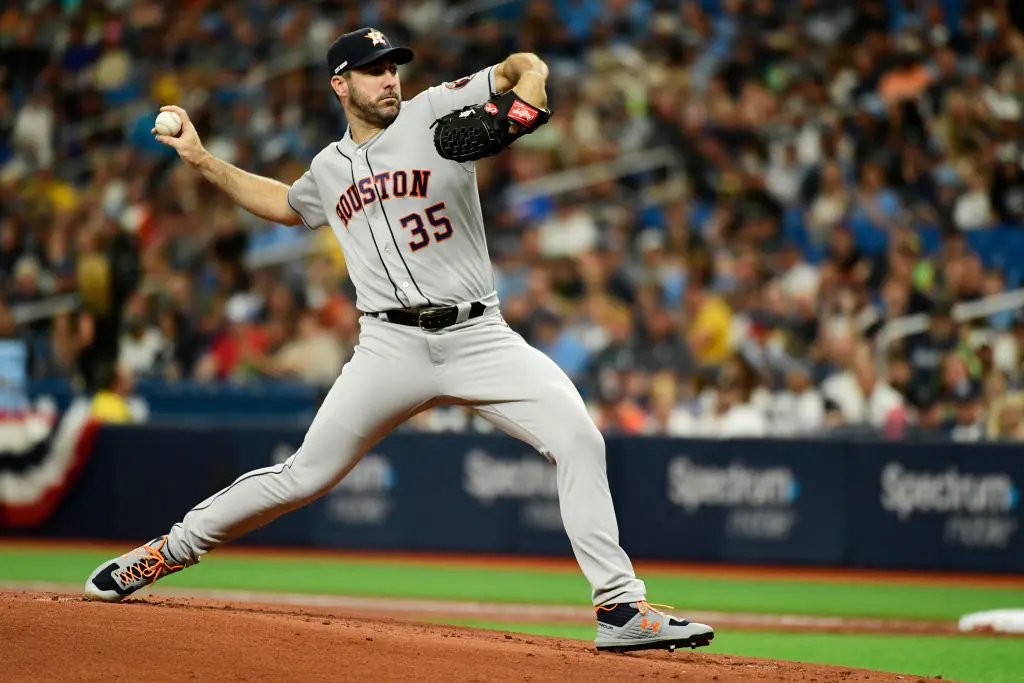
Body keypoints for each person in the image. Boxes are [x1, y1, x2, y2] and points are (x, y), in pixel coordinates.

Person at [83, 27, 713, 654]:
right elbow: (284, 204)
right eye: (373, 69)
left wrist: (529, 95)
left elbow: (523, 64)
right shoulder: (330, 169)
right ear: (341, 85)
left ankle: (620, 608)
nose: (390, 78)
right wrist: (199, 159)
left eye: (392, 66)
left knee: (578, 437)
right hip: (388, 349)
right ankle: (164, 552)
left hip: (478, 335)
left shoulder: (433, 108)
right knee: (303, 475)